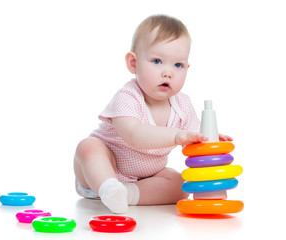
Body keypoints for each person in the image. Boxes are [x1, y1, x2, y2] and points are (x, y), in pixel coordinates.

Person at [73, 14, 232, 213]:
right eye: (157, 61)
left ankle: (125, 194)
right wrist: (176, 136)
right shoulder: (128, 97)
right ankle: (108, 187)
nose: (168, 73)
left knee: (180, 184)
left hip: (146, 179)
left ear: (187, 68)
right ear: (133, 63)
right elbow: (135, 135)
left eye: (178, 65)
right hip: (102, 170)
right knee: (88, 148)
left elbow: (195, 137)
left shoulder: (183, 105)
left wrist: (209, 137)